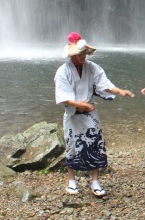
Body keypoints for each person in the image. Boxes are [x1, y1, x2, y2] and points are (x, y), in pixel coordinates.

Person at [54, 32, 134, 197]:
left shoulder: (92, 67)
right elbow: (63, 96)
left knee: (95, 144)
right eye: (79, 54)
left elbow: (104, 84)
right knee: (72, 147)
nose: (83, 56)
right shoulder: (63, 71)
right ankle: (72, 181)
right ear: (73, 54)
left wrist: (119, 90)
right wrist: (79, 105)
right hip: (73, 114)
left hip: (90, 112)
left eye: (84, 53)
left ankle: (95, 181)